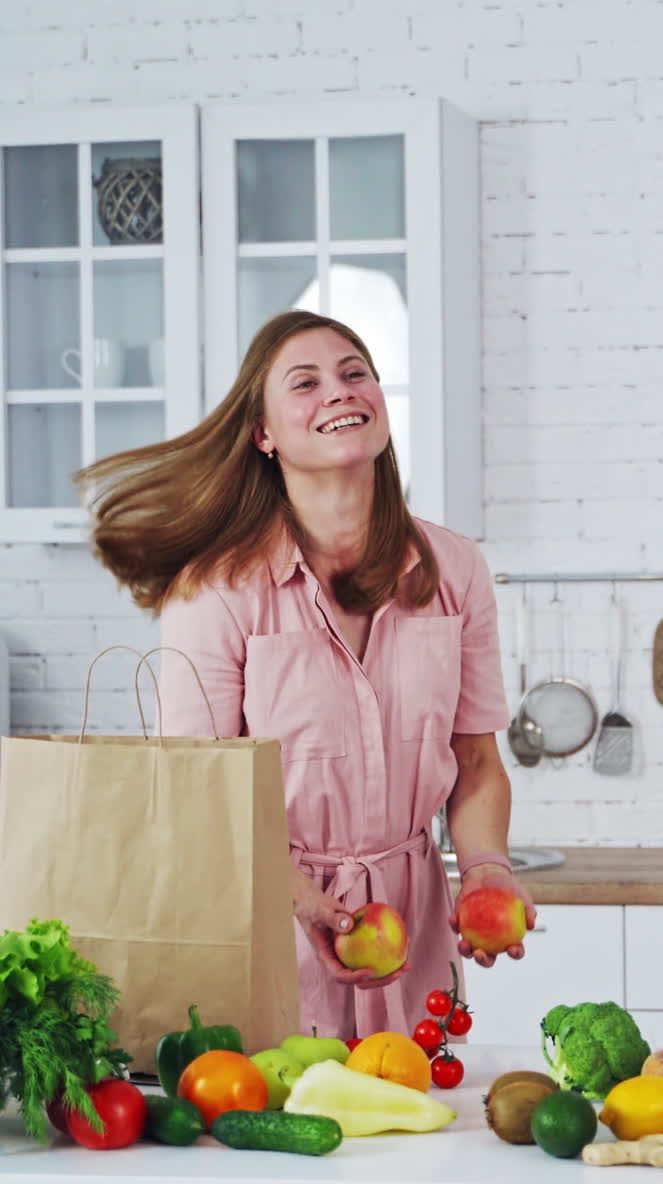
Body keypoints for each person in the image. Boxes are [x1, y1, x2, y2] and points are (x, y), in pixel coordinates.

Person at [77, 309, 536, 1040]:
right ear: (263, 433)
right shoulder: (217, 592)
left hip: (414, 941)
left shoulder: (456, 570)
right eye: (306, 381)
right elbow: (200, 797)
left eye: (356, 373)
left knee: (418, 1136)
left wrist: (486, 866)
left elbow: (478, 761)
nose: (340, 390)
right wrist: (306, 902)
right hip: (268, 931)